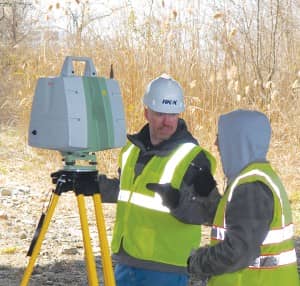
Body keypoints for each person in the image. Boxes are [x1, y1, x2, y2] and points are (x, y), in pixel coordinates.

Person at [99, 74, 218, 286]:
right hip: (128, 259)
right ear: (147, 113)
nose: (167, 121)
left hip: (166, 268)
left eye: (173, 114)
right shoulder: (131, 150)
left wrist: (176, 202)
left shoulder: (194, 159)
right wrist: (96, 186)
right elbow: (126, 191)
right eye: (161, 113)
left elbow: (209, 211)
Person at [187, 109, 299, 286]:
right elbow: (238, 225)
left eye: (221, 137)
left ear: (237, 142)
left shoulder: (251, 187)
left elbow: (238, 251)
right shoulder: (256, 180)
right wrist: (208, 197)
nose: (216, 143)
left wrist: (198, 262)